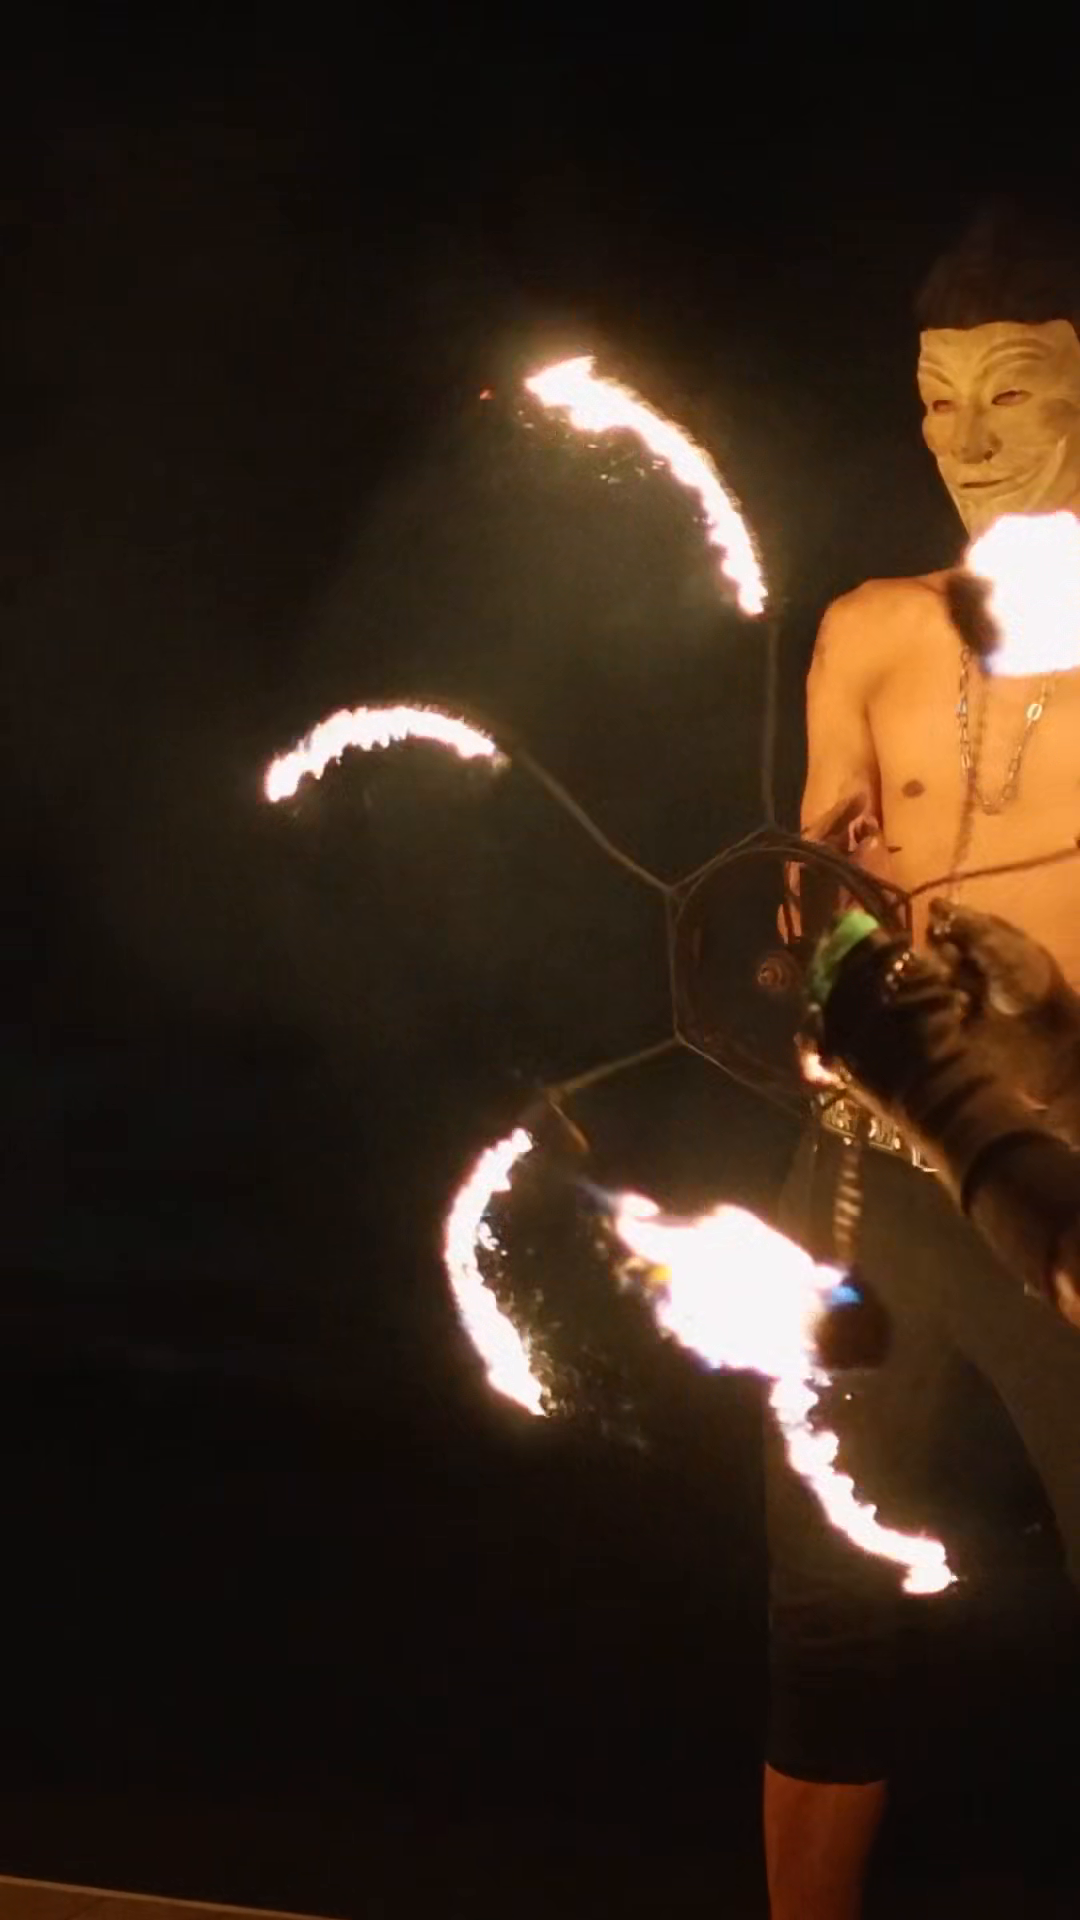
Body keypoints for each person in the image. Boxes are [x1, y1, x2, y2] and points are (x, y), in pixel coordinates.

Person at [766, 204, 1080, 1920]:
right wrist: (819, 941)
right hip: (866, 1177)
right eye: (936, 399)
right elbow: (808, 887)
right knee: (827, 1599)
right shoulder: (870, 629)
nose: (965, 438)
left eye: (1011, 392)